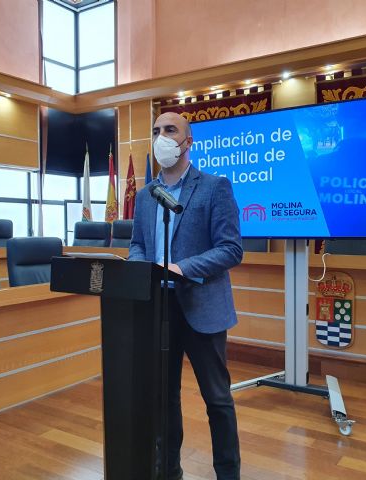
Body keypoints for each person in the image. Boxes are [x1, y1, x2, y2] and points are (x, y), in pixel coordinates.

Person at [128, 112, 243, 479]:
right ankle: (169, 471)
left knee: (218, 399)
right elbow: (137, 244)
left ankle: (228, 474)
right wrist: (140, 269)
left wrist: (182, 267)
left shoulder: (214, 187)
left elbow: (231, 249)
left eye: (170, 130)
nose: (161, 137)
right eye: (156, 131)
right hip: (158, 308)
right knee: (164, 398)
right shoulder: (146, 195)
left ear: (188, 141)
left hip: (202, 306)